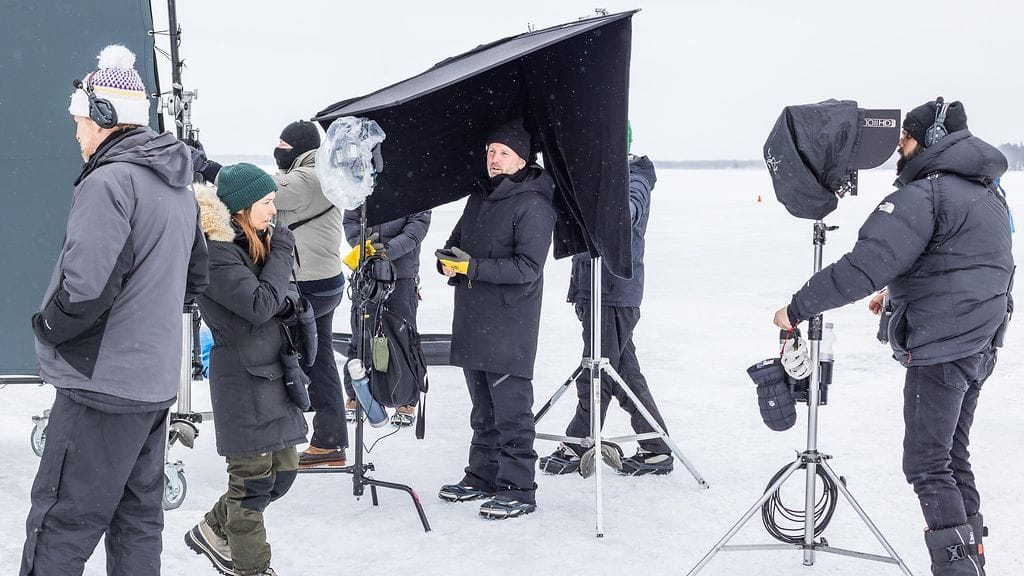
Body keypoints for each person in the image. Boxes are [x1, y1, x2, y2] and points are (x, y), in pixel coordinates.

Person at [772, 98, 1013, 576]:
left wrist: (796, 308)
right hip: (979, 343)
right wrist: (897, 292)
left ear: (932, 140)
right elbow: (965, 263)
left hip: (944, 348)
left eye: (907, 136)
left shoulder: (926, 193)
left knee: (927, 465)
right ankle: (972, 564)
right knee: (950, 458)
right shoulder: (985, 192)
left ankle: (958, 571)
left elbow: (862, 265)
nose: (898, 145)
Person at [21, 44, 208, 576]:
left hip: (99, 386)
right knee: (136, 520)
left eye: (80, 119)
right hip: (151, 384)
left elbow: (85, 289)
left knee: (63, 520)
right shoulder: (177, 186)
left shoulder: (109, 181)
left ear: (104, 117)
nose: (77, 132)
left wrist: (49, 328)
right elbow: (197, 276)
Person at [185, 164, 308, 576]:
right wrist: (284, 255)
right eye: (267, 202)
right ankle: (252, 568)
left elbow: (279, 297)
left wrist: (284, 295)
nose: (274, 210)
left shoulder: (253, 243)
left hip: (273, 374)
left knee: (283, 475)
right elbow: (259, 306)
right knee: (251, 487)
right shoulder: (216, 253)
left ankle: (211, 528)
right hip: (243, 384)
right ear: (241, 207)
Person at [436, 119, 555, 520]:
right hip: (473, 318)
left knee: (511, 411)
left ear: (522, 159)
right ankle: (482, 475)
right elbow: (456, 244)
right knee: (482, 409)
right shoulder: (478, 197)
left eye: (504, 153)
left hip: (510, 324)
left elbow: (527, 268)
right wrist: (448, 263)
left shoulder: (534, 204)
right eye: (491, 151)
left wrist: (472, 268)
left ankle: (519, 488)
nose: (495, 159)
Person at [540, 135, 673, 477]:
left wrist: (595, 201)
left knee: (597, 373)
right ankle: (656, 448)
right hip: (592, 291)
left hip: (614, 294)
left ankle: (578, 442)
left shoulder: (636, 178)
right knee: (624, 373)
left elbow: (626, 212)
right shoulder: (599, 176)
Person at [271, 120, 349, 468]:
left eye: (283, 144)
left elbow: (261, 189)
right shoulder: (320, 171)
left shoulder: (310, 176)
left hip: (309, 284)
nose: (278, 149)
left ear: (300, 147)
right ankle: (328, 439)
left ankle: (299, 438)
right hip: (323, 280)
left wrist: (209, 168)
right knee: (318, 362)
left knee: (287, 357)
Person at [341, 209, 431, 427]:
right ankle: (355, 394)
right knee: (361, 332)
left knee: (404, 334)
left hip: (402, 274)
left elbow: (416, 228)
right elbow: (351, 220)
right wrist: (365, 248)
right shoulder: (363, 179)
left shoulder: (416, 184)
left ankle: (407, 399)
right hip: (366, 269)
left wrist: (387, 252)